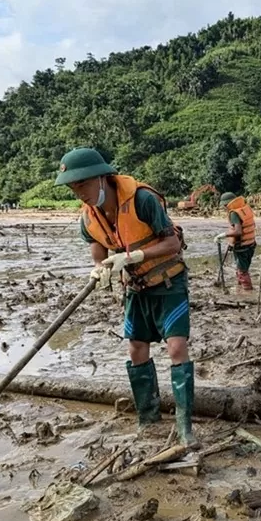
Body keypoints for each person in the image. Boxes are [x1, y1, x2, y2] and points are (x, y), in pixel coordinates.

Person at [55, 147, 195, 444]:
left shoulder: (142, 200)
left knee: (176, 348)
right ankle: (148, 418)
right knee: (135, 349)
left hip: (168, 282)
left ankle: (184, 427)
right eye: (72, 187)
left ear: (102, 177)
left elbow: (172, 243)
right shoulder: (87, 216)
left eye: (83, 184)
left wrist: (136, 256)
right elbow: (97, 245)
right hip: (135, 288)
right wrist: (99, 267)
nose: (78, 192)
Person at [216, 192, 257, 291]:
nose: (225, 208)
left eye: (225, 205)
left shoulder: (234, 213)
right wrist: (231, 242)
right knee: (243, 268)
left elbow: (238, 231)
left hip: (242, 247)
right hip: (251, 243)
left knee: (242, 271)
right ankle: (240, 287)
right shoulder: (245, 208)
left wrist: (224, 235)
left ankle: (248, 292)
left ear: (228, 204)